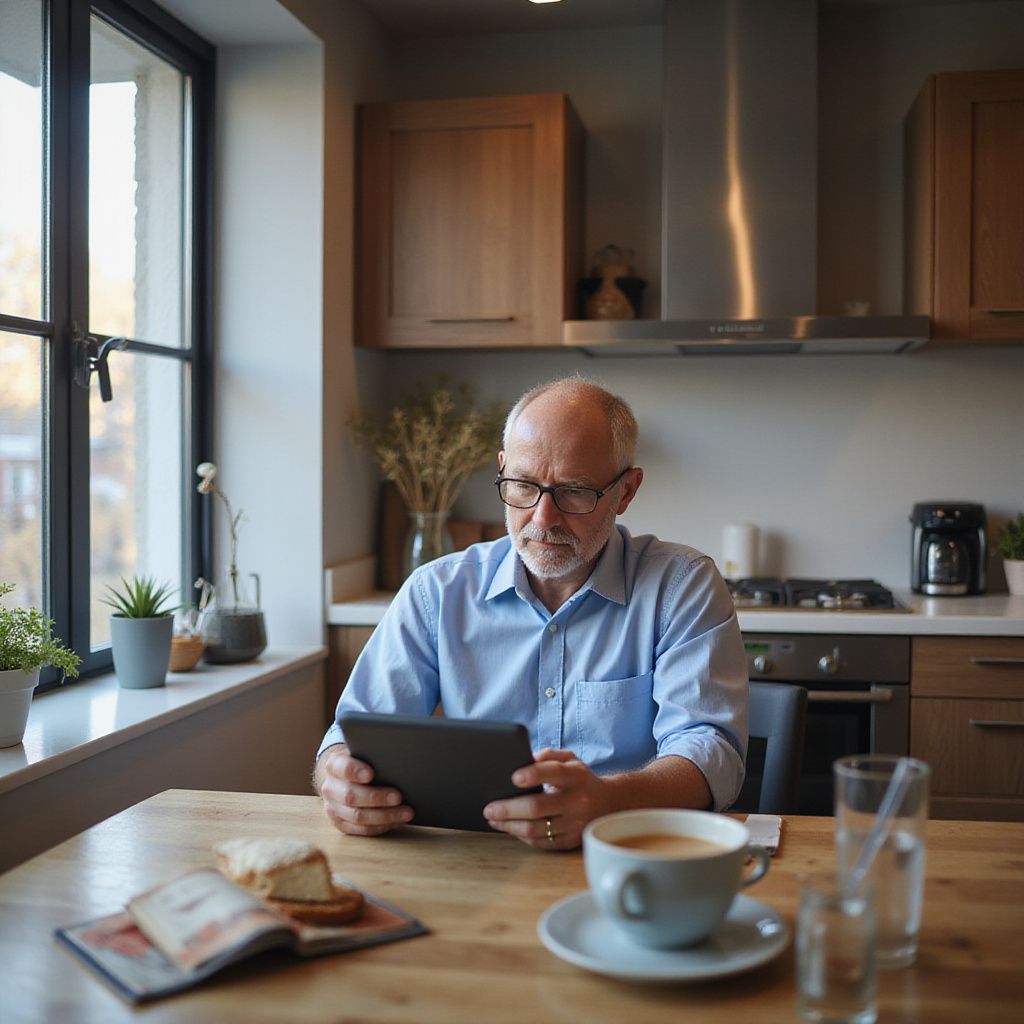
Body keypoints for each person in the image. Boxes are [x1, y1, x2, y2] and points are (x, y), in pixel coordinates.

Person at [315, 376, 748, 850]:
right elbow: (350, 732)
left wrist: (607, 799)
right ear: (502, 469)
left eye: (575, 491)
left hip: (630, 853)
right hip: (478, 857)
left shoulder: (681, 586)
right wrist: (338, 776)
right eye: (523, 485)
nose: (543, 519)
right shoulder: (436, 591)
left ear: (625, 492)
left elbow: (711, 753)